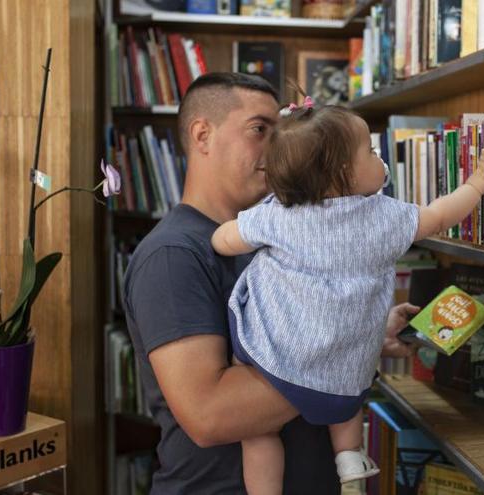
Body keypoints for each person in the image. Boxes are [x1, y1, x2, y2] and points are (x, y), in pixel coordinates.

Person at [122, 72, 418, 494]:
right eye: (260, 130)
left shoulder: (274, 232)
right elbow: (212, 415)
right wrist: (347, 354)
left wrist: (366, 330)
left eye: (281, 132)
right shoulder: (173, 256)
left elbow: (288, 336)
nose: (280, 147)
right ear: (202, 135)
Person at [211, 97, 484, 494]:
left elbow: (226, 241)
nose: (380, 159)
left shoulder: (278, 215)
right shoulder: (384, 216)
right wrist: (476, 185)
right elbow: (440, 215)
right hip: (346, 361)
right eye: (372, 151)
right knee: (345, 393)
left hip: (278, 354)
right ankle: (350, 463)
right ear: (345, 172)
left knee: (259, 435)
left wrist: (220, 236)